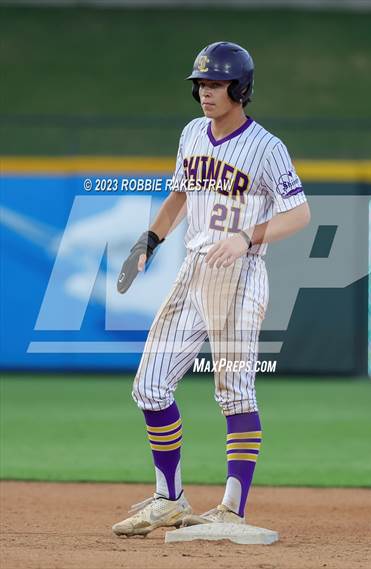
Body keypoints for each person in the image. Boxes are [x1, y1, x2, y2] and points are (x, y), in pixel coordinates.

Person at [112, 41, 310, 537]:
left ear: (239, 89)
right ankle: (170, 498)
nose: (205, 92)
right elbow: (180, 194)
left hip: (240, 277)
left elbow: (300, 214)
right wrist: (150, 240)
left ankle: (231, 508)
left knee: (235, 393)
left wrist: (247, 237)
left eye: (216, 83)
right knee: (150, 385)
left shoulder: (266, 147)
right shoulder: (191, 134)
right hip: (193, 272)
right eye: (200, 84)